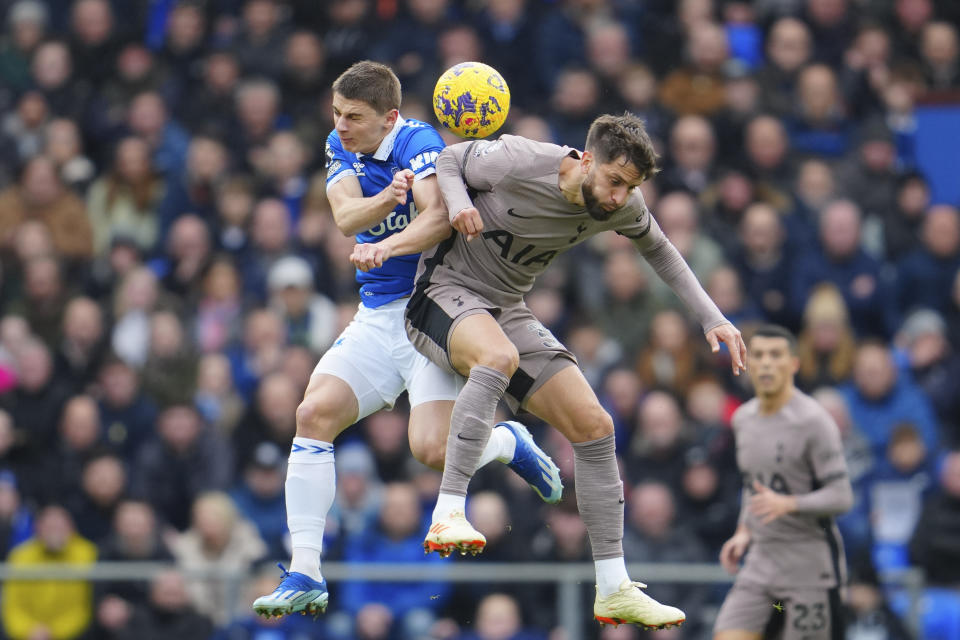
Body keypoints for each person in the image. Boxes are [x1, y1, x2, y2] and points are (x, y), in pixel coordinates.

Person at [352, 112, 746, 629]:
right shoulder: (522, 158)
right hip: (442, 293)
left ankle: (613, 587)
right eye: (613, 181)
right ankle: (449, 511)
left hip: (506, 309)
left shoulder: (623, 204)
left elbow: (661, 252)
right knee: (496, 358)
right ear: (587, 160)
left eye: (630, 188)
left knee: (596, 427)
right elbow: (449, 159)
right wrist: (463, 201)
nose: (617, 198)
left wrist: (713, 317)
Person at [252, 61, 562, 619]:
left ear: (389, 117)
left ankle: (507, 442)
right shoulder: (337, 143)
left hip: (429, 311)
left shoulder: (416, 141)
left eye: (354, 117)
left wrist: (388, 244)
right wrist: (383, 206)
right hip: (374, 318)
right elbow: (347, 217)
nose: (341, 126)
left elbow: (438, 216)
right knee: (312, 413)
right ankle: (305, 571)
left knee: (431, 451)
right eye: (337, 114)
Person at [713, 325, 854, 640]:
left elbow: (842, 496)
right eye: (759, 355)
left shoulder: (814, 421)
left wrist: (790, 504)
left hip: (809, 566)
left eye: (776, 355)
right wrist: (743, 531)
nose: (766, 363)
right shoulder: (743, 420)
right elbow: (754, 486)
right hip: (762, 561)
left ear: (793, 364)